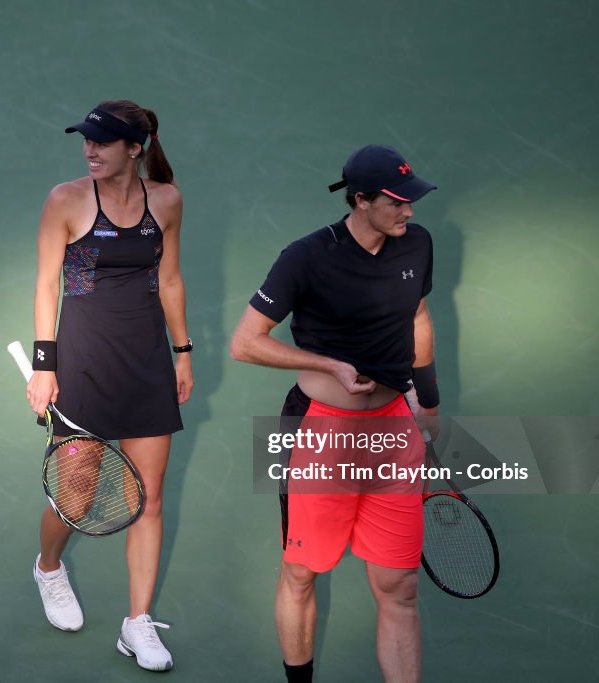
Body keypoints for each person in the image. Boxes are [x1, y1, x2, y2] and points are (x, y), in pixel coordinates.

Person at [230, 144, 441, 682]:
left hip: (393, 429)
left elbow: (417, 316)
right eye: (396, 202)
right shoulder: (307, 256)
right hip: (320, 431)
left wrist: (428, 400)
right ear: (360, 200)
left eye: (410, 200)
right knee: (302, 572)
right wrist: (330, 365)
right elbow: (247, 343)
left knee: (400, 586)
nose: (408, 212)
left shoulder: (416, 245)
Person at [24, 100, 193, 672]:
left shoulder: (165, 201)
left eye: (102, 142)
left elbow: (169, 279)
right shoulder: (66, 200)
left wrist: (183, 351)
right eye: (86, 141)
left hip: (146, 362)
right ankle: (49, 567)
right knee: (75, 494)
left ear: (135, 148)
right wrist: (45, 367)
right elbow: (48, 285)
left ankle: (137, 623)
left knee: (148, 497)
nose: (90, 150)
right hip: (83, 364)